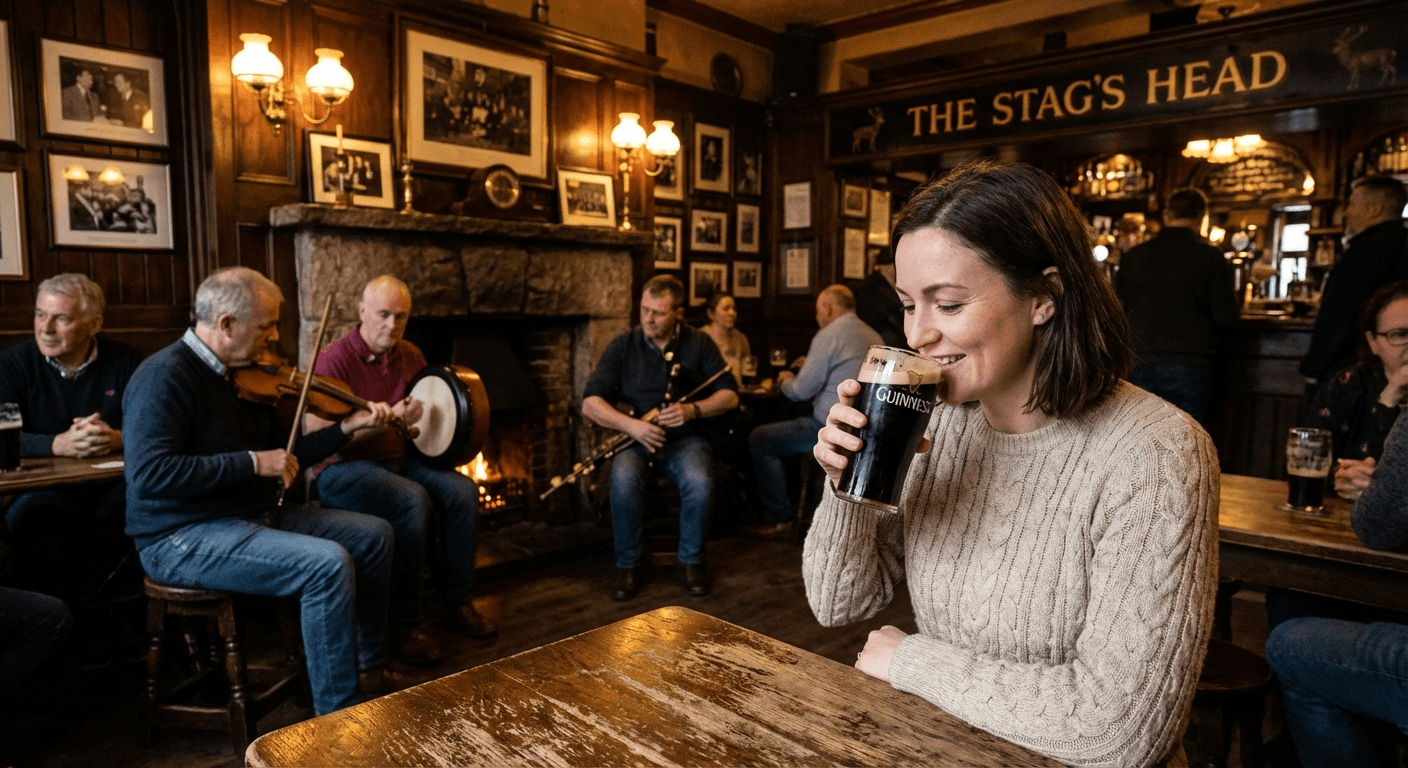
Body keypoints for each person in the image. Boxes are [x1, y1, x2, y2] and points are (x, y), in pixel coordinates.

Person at [805, 161, 1218, 766]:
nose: (917, 334)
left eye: (946, 305)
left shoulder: (1155, 452)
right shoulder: (935, 423)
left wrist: (912, 661)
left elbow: (1121, 731)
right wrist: (845, 485)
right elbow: (839, 604)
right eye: (906, 305)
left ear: (1043, 297)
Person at [123, 267, 395, 715]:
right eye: (265, 325)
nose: (273, 337)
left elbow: (288, 457)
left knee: (373, 535)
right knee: (326, 565)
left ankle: (369, 668)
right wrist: (251, 462)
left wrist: (348, 426)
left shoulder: (243, 376)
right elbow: (152, 476)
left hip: (248, 514)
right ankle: (339, 715)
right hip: (178, 536)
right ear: (227, 324)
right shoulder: (164, 376)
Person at [308, 275, 497, 669]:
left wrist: (420, 425)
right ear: (362, 312)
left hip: (399, 459)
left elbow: (415, 427)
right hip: (344, 468)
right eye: (382, 315)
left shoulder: (410, 355)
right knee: (412, 499)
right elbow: (315, 436)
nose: (391, 326)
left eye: (400, 317)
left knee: (462, 491)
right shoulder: (334, 359)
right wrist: (379, 421)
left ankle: (456, 602)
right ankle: (404, 624)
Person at [1264, 409, 1408, 768]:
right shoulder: (1349, 385)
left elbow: (1376, 524)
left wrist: (1379, 490)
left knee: (1289, 646)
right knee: (1294, 600)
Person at [582, 275, 739, 601]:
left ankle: (691, 561)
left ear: (678, 313)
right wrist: (632, 426)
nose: (648, 319)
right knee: (622, 479)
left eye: (659, 313)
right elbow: (590, 403)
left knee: (700, 481)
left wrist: (692, 410)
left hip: (685, 441)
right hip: (635, 440)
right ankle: (628, 565)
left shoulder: (698, 343)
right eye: (644, 310)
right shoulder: (623, 345)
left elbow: (730, 396)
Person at [0, 274, 143, 599]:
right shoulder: (11, 365)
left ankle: (112, 617)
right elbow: (2, 440)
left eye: (60, 318)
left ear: (93, 324)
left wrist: (117, 438)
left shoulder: (129, 362)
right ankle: (66, 622)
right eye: (40, 314)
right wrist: (57, 444)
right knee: (39, 519)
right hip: (40, 488)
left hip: (109, 486)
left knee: (141, 506)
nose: (45, 328)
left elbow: (155, 429)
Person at [745, 286, 879, 538]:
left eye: (818, 310)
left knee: (759, 438)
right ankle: (804, 509)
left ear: (826, 308)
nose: (818, 316)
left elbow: (800, 392)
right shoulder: (873, 335)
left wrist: (786, 378)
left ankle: (780, 519)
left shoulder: (829, 334)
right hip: (866, 431)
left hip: (830, 429)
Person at [1115, 188, 1239, 426]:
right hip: (1190, 365)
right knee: (1186, 444)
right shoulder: (1210, 257)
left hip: (1139, 360)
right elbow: (1225, 317)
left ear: (1166, 214)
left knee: (1139, 440)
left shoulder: (1135, 256)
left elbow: (1116, 311)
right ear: (1202, 216)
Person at [1301, 176, 1408, 386]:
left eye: (1351, 204)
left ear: (1374, 210)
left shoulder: (1365, 251)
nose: (1345, 212)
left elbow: (1341, 313)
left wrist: (1316, 367)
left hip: (1359, 370)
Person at [1306, 280, 1408, 477]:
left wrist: (1376, 489)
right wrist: (1388, 399)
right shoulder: (1348, 385)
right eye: (1400, 334)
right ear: (1373, 342)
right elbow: (1308, 459)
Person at [853, 247, 907, 348]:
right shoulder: (875, 286)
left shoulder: (883, 284)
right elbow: (897, 313)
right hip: (879, 343)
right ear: (889, 266)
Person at [699, 292, 751, 386]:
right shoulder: (700, 339)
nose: (732, 313)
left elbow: (748, 371)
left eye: (734, 309)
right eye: (726, 309)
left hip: (739, 395)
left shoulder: (740, 338)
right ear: (711, 313)